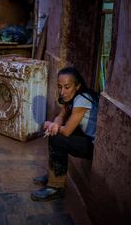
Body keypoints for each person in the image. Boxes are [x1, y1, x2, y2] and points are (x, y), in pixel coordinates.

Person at [31, 67, 99, 201]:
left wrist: (51, 126)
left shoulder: (82, 99)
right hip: (85, 136)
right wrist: (55, 124)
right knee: (54, 133)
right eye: (60, 87)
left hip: (94, 147)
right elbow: (61, 115)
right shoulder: (70, 97)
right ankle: (53, 175)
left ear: (77, 86)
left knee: (58, 139)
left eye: (67, 87)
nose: (62, 92)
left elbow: (67, 131)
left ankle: (55, 188)